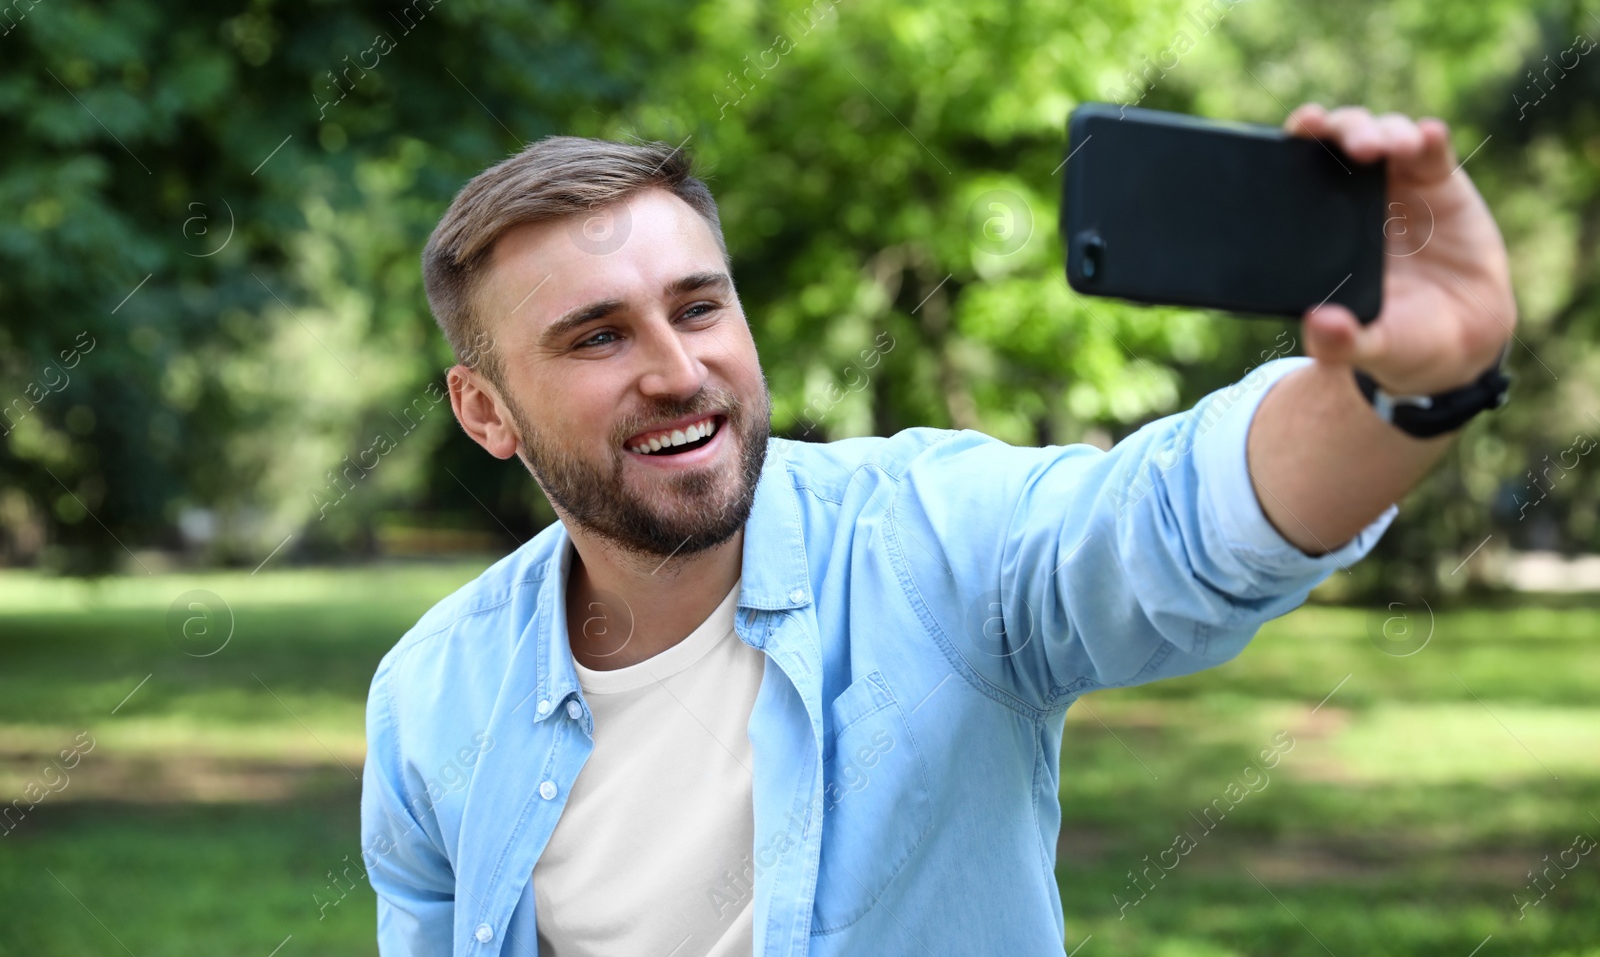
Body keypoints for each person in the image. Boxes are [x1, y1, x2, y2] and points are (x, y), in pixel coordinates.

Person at [359, 104, 1515, 956]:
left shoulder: (932, 537)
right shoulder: (433, 698)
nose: (679, 370)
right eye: (596, 337)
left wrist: (1397, 394)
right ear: (484, 410)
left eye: (700, 306)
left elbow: (1171, 525)